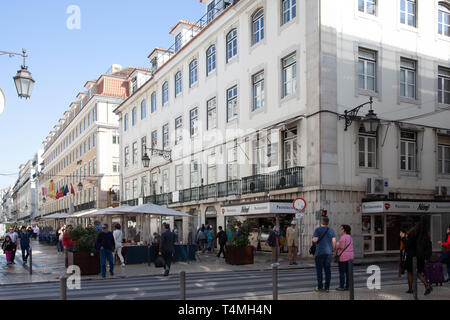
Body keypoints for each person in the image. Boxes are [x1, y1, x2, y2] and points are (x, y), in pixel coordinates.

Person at [405, 223, 432, 295]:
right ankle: (427, 285)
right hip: (420, 256)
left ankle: (411, 289)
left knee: (410, 272)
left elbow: (407, 245)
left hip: (411, 256)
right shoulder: (424, 235)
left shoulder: (412, 234)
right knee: (418, 273)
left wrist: (404, 239)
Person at [312, 216, 336, 292]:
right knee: (327, 270)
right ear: (328, 222)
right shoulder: (331, 230)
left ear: (321, 222)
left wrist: (313, 239)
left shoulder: (317, 229)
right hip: (328, 253)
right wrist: (333, 251)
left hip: (319, 253)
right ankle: (327, 287)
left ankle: (320, 287)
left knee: (319, 271)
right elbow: (334, 241)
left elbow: (315, 240)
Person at [335, 225, 354, 291]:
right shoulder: (350, 237)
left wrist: (337, 246)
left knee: (342, 272)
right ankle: (348, 286)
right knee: (348, 272)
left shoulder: (343, 237)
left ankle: (341, 286)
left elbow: (342, 246)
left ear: (344, 230)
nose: (340, 230)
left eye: (341, 229)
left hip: (343, 257)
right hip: (350, 257)